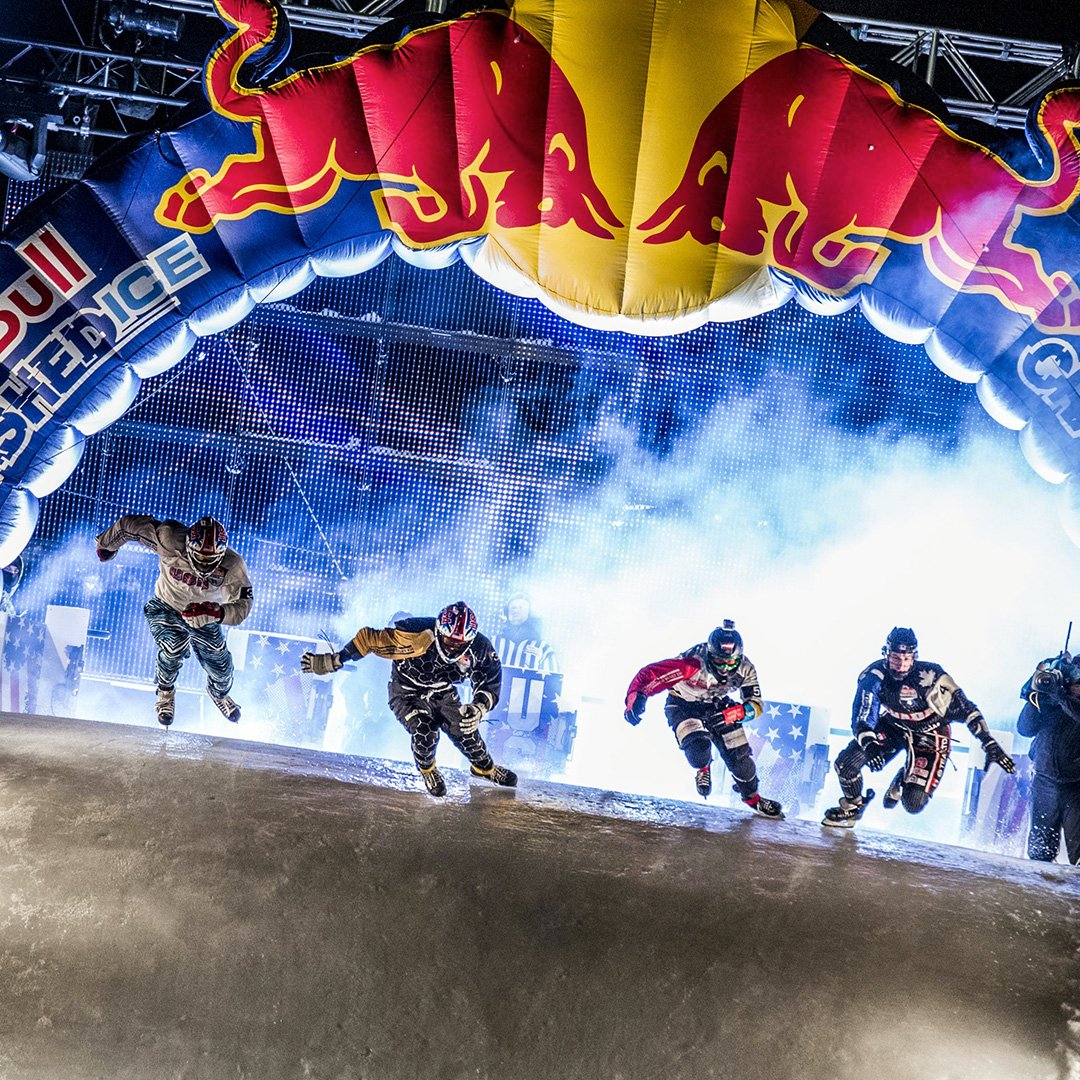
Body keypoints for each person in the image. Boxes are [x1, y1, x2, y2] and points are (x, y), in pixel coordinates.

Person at [300, 601, 517, 798]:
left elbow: (490, 679)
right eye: (449, 640)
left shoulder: (481, 648)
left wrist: (479, 707)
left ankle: (484, 768)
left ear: (470, 640)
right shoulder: (414, 632)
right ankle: (428, 770)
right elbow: (368, 639)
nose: (452, 648)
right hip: (406, 692)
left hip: (443, 693)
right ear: (439, 630)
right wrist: (336, 659)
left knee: (465, 729)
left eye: (460, 644)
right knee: (425, 731)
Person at [822, 627, 1015, 827]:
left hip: (931, 735)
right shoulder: (873, 676)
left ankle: (902, 779)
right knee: (845, 764)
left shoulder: (931, 676)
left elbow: (966, 709)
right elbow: (862, 715)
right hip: (893, 726)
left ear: (914, 656)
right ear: (886, 654)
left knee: (913, 804)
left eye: (906, 659)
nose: (901, 665)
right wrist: (870, 744)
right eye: (896, 658)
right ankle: (853, 806)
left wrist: (988, 742)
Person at [95, 515, 254, 727]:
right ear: (187, 546)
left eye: (210, 560)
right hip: (166, 605)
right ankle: (165, 693)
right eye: (200, 557)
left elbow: (243, 607)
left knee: (222, 667)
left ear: (222, 553)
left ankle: (219, 693)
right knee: (172, 647)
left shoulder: (233, 566)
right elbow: (130, 527)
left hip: (205, 616)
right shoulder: (169, 539)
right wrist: (106, 543)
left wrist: (216, 613)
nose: (204, 565)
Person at [623, 619, 783, 817]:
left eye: (730, 662)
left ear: (739, 657)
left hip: (719, 706)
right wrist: (636, 696)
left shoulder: (746, 668)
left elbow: (756, 705)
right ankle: (703, 768)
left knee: (741, 763)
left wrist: (736, 713)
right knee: (698, 750)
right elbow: (652, 674)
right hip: (683, 705)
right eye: (719, 661)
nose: (725, 668)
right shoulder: (692, 663)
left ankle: (754, 799)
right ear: (710, 655)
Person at [1017, 653, 1080, 863]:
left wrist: (1061, 697)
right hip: (1044, 781)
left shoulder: (1066, 702)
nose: (1076, 687)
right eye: (1074, 682)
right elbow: (1024, 729)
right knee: (1040, 851)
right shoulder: (1051, 700)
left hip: (1076, 788)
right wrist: (1037, 695)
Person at [491, 594, 559, 673]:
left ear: (530, 613)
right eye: (513, 608)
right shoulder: (494, 642)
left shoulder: (543, 648)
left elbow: (552, 678)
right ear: (506, 613)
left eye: (521, 607)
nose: (516, 611)